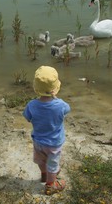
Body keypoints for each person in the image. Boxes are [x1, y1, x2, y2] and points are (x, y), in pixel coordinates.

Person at [23, 65, 71, 195]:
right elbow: (67, 110)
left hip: (38, 141)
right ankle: (50, 185)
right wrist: (55, 98)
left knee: (41, 160)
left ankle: (44, 175)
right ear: (55, 89)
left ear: (36, 88)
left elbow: (27, 117)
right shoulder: (61, 105)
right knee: (53, 164)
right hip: (54, 143)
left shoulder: (32, 105)